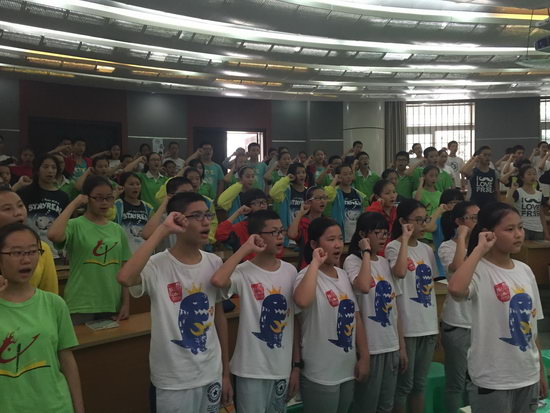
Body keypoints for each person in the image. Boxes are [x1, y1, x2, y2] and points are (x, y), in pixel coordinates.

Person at [117, 192, 233, 412]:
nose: (206, 222)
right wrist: (163, 229)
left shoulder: (214, 262)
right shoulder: (157, 264)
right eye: (196, 216)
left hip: (211, 373)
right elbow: (125, 278)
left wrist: (225, 373)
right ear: (178, 220)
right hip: (173, 381)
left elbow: (219, 318)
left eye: (207, 215)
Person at [448, 202, 547, 413]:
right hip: (492, 378)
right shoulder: (479, 269)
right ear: (488, 233)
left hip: (527, 374)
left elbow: (532, 327)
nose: (518, 234)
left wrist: (540, 370)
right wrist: (479, 249)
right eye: (509, 229)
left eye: (520, 227)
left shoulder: (525, 270)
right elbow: (455, 288)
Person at [211, 210, 299, 412]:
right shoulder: (243, 271)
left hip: (281, 367)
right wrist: (245, 248)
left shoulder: (290, 271)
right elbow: (218, 280)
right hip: (251, 370)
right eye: (273, 232)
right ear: (257, 237)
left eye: (281, 231)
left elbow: (294, 321)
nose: (280, 237)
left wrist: (296, 365)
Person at [0, 223, 84, 412]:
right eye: (16, 253)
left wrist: (78, 408)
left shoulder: (54, 303)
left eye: (32, 251)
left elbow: (67, 360)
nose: (26, 260)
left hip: (56, 406)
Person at [293, 217, 369, 413]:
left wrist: (364, 356)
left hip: (347, 369)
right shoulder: (305, 276)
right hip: (320, 373)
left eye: (340, 239)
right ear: (314, 244)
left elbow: (356, 317)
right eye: (331, 239)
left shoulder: (342, 274)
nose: (338, 245)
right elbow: (302, 301)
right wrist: (315, 263)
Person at [344, 212, 407, 413]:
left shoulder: (384, 262)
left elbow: (394, 309)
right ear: (363, 234)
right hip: (371, 347)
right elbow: (363, 286)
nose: (383, 237)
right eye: (377, 232)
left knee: (386, 406)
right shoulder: (352, 261)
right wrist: (365, 252)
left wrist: (401, 346)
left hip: (390, 344)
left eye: (385, 233)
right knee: (366, 405)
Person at [48, 175, 131, 324]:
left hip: (111, 302)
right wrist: (74, 204)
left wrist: (126, 303)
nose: (104, 202)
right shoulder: (75, 225)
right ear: (86, 198)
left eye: (108, 198)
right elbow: (54, 235)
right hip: (81, 303)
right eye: (98, 198)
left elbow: (125, 268)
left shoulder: (117, 230)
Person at [385, 199, 438, 413]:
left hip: (428, 326)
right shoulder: (393, 247)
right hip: (407, 327)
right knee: (403, 387)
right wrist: (405, 239)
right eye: (418, 220)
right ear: (403, 221)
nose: (423, 224)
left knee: (420, 385)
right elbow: (399, 272)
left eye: (425, 219)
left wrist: (436, 325)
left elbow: (430, 287)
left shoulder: (427, 249)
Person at [438, 201, 479, 413]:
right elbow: (458, 267)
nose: (477, 222)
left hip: (479, 323)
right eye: (472, 218)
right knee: (456, 383)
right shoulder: (447, 247)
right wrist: (462, 237)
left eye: (479, 217)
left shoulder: (483, 247)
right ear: (459, 221)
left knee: (478, 382)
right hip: (457, 323)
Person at [0, 187, 58, 293]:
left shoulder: (41, 248)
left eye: (20, 206)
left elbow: (50, 295)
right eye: (7, 209)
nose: (18, 213)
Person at [17, 154, 70, 259]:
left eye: (54, 167)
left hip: (54, 252)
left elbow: (66, 225)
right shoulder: (25, 193)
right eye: (45, 167)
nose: (50, 171)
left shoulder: (63, 197)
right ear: (37, 170)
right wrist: (17, 185)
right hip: (28, 251)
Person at [215, 189, 278, 261]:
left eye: (264, 202)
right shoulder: (240, 227)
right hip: (245, 265)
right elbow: (220, 235)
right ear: (247, 206)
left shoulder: (271, 225)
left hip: (268, 264)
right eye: (256, 203)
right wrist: (238, 213)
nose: (262, 206)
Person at [505, 164, 550, 241]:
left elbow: (541, 214)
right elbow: (508, 206)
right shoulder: (518, 192)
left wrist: (546, 232)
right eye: (529, 174)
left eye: (534, 174)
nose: (532, 176)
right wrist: (512, 190)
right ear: (522, 177)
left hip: (538, 229)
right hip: (523, 228)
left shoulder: (539, 194)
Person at [288, 186, 328, 270]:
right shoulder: (303, 221)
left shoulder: (328, 222)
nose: (322, 201)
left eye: (324, 198)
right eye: (318, 198)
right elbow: (292, 234)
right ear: (309, 202)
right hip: (306, 266)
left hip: (325, 265)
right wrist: (300, 213)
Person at [325, 164, 367, 243]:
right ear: (338, 176)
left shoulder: (358, 194)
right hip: (340, 235)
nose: (348, 176)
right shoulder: (335, 192)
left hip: (356, 236)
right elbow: (326, 195)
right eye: (345, 174)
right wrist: (335, 180)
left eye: (350, 173)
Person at [114, 172, 154, 252]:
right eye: (131, 184)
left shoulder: (148, 207)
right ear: (123, 186)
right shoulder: (118, 204)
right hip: (124, 251)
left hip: (144, 251)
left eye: (138, 184)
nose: (135, 187)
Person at [269, 162, 309, 234]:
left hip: (303, 231)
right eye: (298, 173)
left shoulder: (308, 192)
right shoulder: (286, 190)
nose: (302, 175)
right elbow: (273, 193)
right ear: (292, 174)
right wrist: (287, 179)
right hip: (287, 231)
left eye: (303, 172)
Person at [366, 179, 398, 253]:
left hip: (394, 251)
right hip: (377, 253)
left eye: (394, 192)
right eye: (387, 193)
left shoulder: (397, 211)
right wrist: (377, 204)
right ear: (377, 196)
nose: (392, 196)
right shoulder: (374, 210)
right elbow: (368, 218)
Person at [414, 165, 442, 240]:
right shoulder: (417, 193)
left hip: (436, 229)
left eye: (436, 176)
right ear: (424, 176)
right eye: (431, 176)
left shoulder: (440, 194)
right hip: (423, 231)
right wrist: (421, 183)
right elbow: (416, 202)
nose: (434, 178)